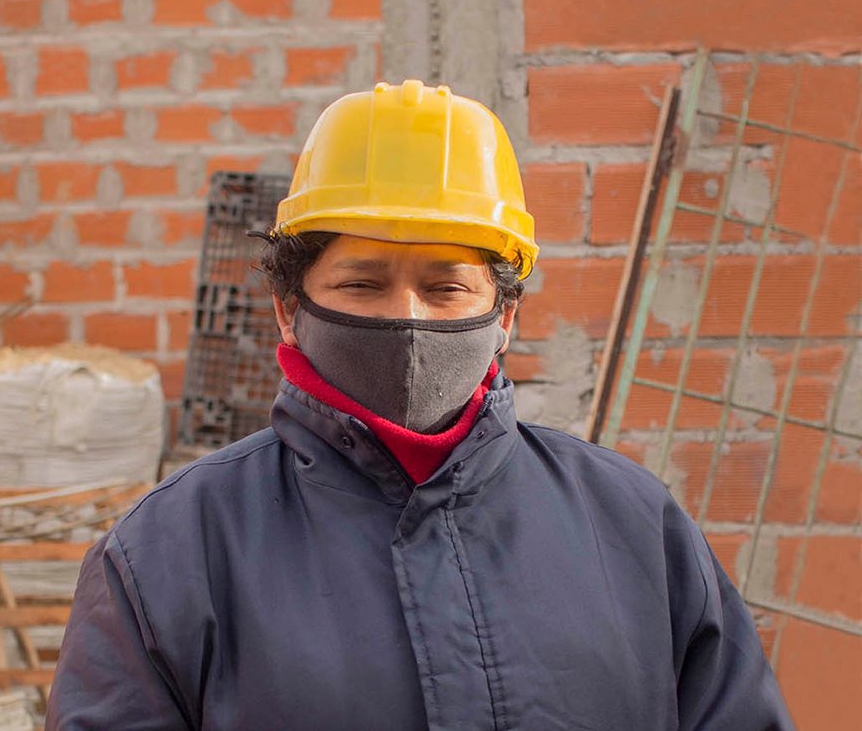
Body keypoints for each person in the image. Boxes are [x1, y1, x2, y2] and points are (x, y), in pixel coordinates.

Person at [46, 81, 792, 729]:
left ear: (505, 315)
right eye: (363, 285)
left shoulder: (633, 526)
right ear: (286, 308)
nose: (409, 321)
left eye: (446, 288)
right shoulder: (173, 551)